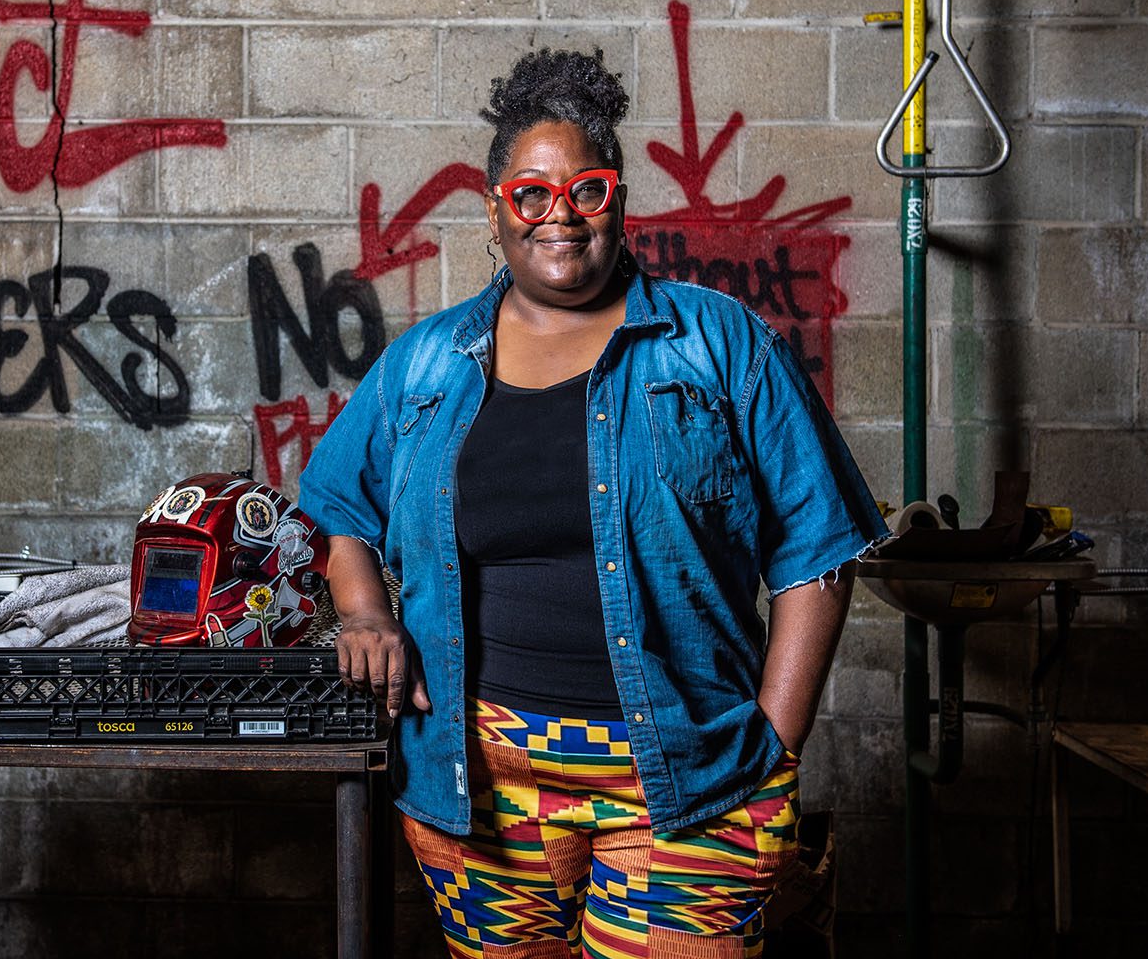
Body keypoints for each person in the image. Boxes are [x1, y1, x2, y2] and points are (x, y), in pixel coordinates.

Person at [297, 48, 885, 958]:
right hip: (477, 788)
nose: (558, 216)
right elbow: (340, 501)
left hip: (691, 782)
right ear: (495, 214)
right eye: (529, 194)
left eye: (587, 190)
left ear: (619, 201)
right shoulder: (427, 363)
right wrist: (365, 610)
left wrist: (775, 743)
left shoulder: (717, 343)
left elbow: (820, 548)